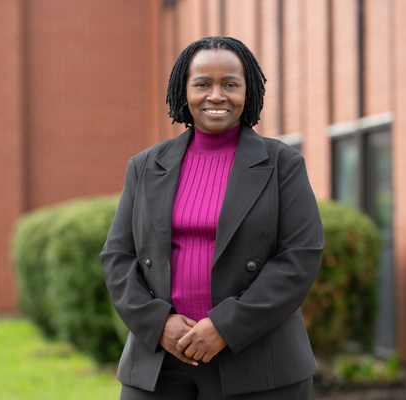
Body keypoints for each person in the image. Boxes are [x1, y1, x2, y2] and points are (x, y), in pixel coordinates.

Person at [99, 36, 324, 400]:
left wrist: (224, 326)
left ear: (247, 92)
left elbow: (300, 257)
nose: (216, 96)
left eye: (230, 84)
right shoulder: (144, 166)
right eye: (202, 84)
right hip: (159, 362)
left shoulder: (282, 164)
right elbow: (117, 257)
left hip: (257, 362)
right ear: (182, 91)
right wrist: (158, 325)